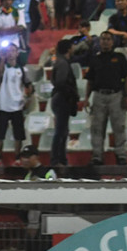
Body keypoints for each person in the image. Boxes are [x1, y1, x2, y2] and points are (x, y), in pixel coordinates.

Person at [84, 32, 127, 167]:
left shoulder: (120, 58)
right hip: (99, 96)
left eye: (108, 39)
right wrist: (87, 98)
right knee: (97, 128)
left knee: (119, 127)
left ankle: (121, 155)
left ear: (112, 42)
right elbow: (90, 81)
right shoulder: (95, 59)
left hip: (116, 95)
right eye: (103, 39)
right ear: (99, 42)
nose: (105, 42)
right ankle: (97, 156)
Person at [0, 44, 33, 163]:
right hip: (3, 105)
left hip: (17, 105)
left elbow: (29, 85)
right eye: (8, 51)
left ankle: (17, 158)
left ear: (17, 53)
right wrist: (2, 60)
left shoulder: (22, 69)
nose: (10, 53)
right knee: (0, 134)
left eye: (13, 51)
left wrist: (28, 99)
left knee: (18, 135)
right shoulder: (3, 67)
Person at [50, 40, 77, 169]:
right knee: (61, 130)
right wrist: (71, 93)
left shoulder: (60, 62)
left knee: (62, 130)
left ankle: (60, 158)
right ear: (68, 49)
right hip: (62, 99)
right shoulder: (63, 63)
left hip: (60, 98)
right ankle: (57, 159)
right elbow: (60, 83)